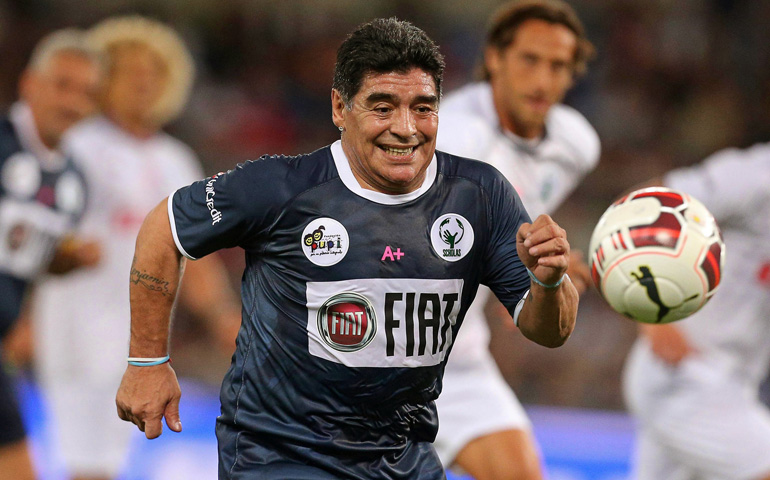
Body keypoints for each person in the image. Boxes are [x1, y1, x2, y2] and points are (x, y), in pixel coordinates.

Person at [115, 17, 579, 479]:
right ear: (340, 108)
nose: (405, 128)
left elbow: (549, 330)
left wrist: (549, 282)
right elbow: (166, 226)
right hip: (281, 455)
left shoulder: (480, 193)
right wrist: (147, 361)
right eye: (382, 107)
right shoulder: (282, 187)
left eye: (423, 108)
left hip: (402, 455)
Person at [32, 16, 240, 480]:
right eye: (128, 72)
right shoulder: (75, 147)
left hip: (141, 335)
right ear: (101, 80)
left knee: (109, 459)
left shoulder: (174, 158)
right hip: (76, 320)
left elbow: (195, 254)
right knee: (83, 460)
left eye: (153, 73)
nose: (142, 83)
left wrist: (224, 318)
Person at [434, 1, 599, 478]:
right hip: (381, 349)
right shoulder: (453, 140)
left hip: (457, 359)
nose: (543, 80)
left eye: (559, 66)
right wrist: (515, 275)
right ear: (494, 59)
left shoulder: (575, 146)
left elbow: (523, 221)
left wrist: (533, 277)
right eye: (529, 60)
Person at [622, 145, 770, 480]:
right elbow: (641, 206)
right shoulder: (756, 176)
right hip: (683, 375)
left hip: (736, 384)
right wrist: (648, 312)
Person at [0, 29, 103, 480]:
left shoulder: (74, 182)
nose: (73, 102)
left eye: (87, 92)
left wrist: (67, 261)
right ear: (29, 84)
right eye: (63, 85)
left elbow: (25, 262)